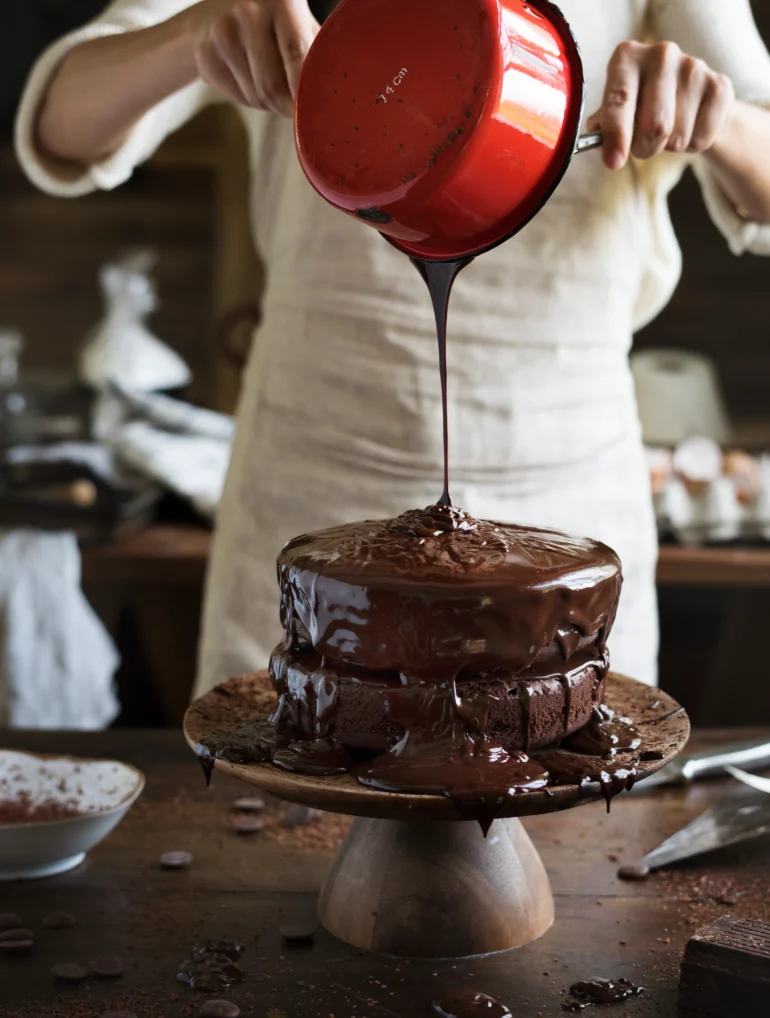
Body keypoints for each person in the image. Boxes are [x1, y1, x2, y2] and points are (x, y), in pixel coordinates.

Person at [16, 0, 770, 695]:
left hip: (565, 504)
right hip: (306, 496)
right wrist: (192, 33)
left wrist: (723, 120)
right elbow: (60, 125)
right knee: (284, 779)